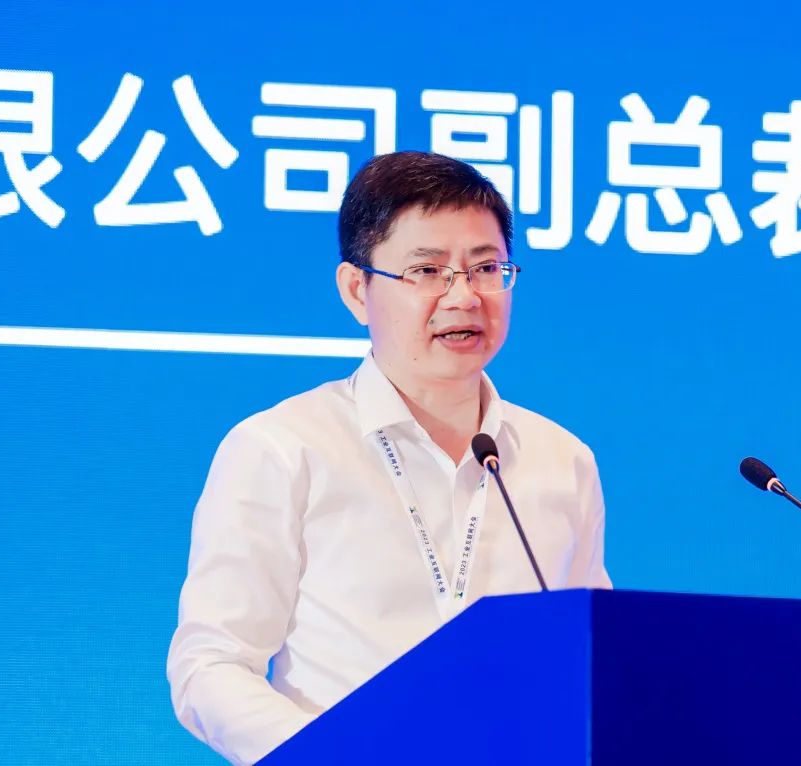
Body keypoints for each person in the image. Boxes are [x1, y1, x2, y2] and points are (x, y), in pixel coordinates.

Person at [167, 151, 611, 765]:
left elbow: (587, 662)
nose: (464, 296)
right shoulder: (283, 448)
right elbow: (211, 665)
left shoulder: (562, 461)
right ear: (358, 290)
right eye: (427, 270)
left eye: (486, 268)